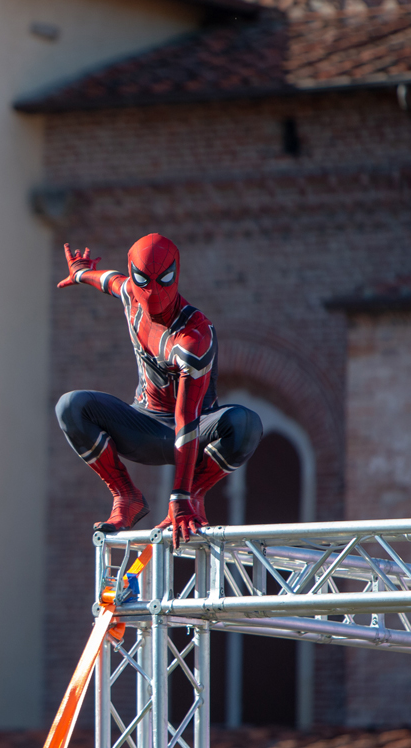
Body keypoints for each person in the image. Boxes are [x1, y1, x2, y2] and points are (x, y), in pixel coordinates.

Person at [55, 233, 262, 546]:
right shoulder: (129, 293)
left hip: (196, 432)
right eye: (144, 281)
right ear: (134, 276)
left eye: (163, 281)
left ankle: (195, 494)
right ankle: (126, 495)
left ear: (176, 276)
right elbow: (109, 280)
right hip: (143, 424)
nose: (153, 293)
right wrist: (81, 273)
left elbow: (187, 417)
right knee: (70, 406)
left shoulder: (193, 336)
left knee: (246, 424)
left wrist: (181, 497)